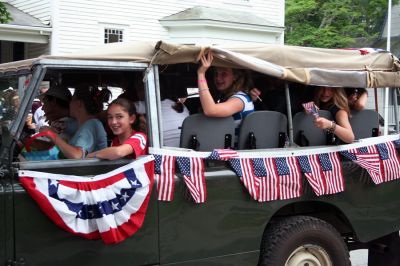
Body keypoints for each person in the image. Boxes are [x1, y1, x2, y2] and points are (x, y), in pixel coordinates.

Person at [46, 84, 111, 159]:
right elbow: (69, 126)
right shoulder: (83, 124)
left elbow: (77, 155)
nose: (69, 104)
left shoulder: (92, 124)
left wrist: (52, 135)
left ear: (78, 103)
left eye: (72, 100)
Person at [197, 51, 254, 134]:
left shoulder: (239, 99)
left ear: (235, 76)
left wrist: (201, 74)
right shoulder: (227, 97)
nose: (218, 78)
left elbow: (210, 110)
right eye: (216, 74)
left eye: (224, 74)